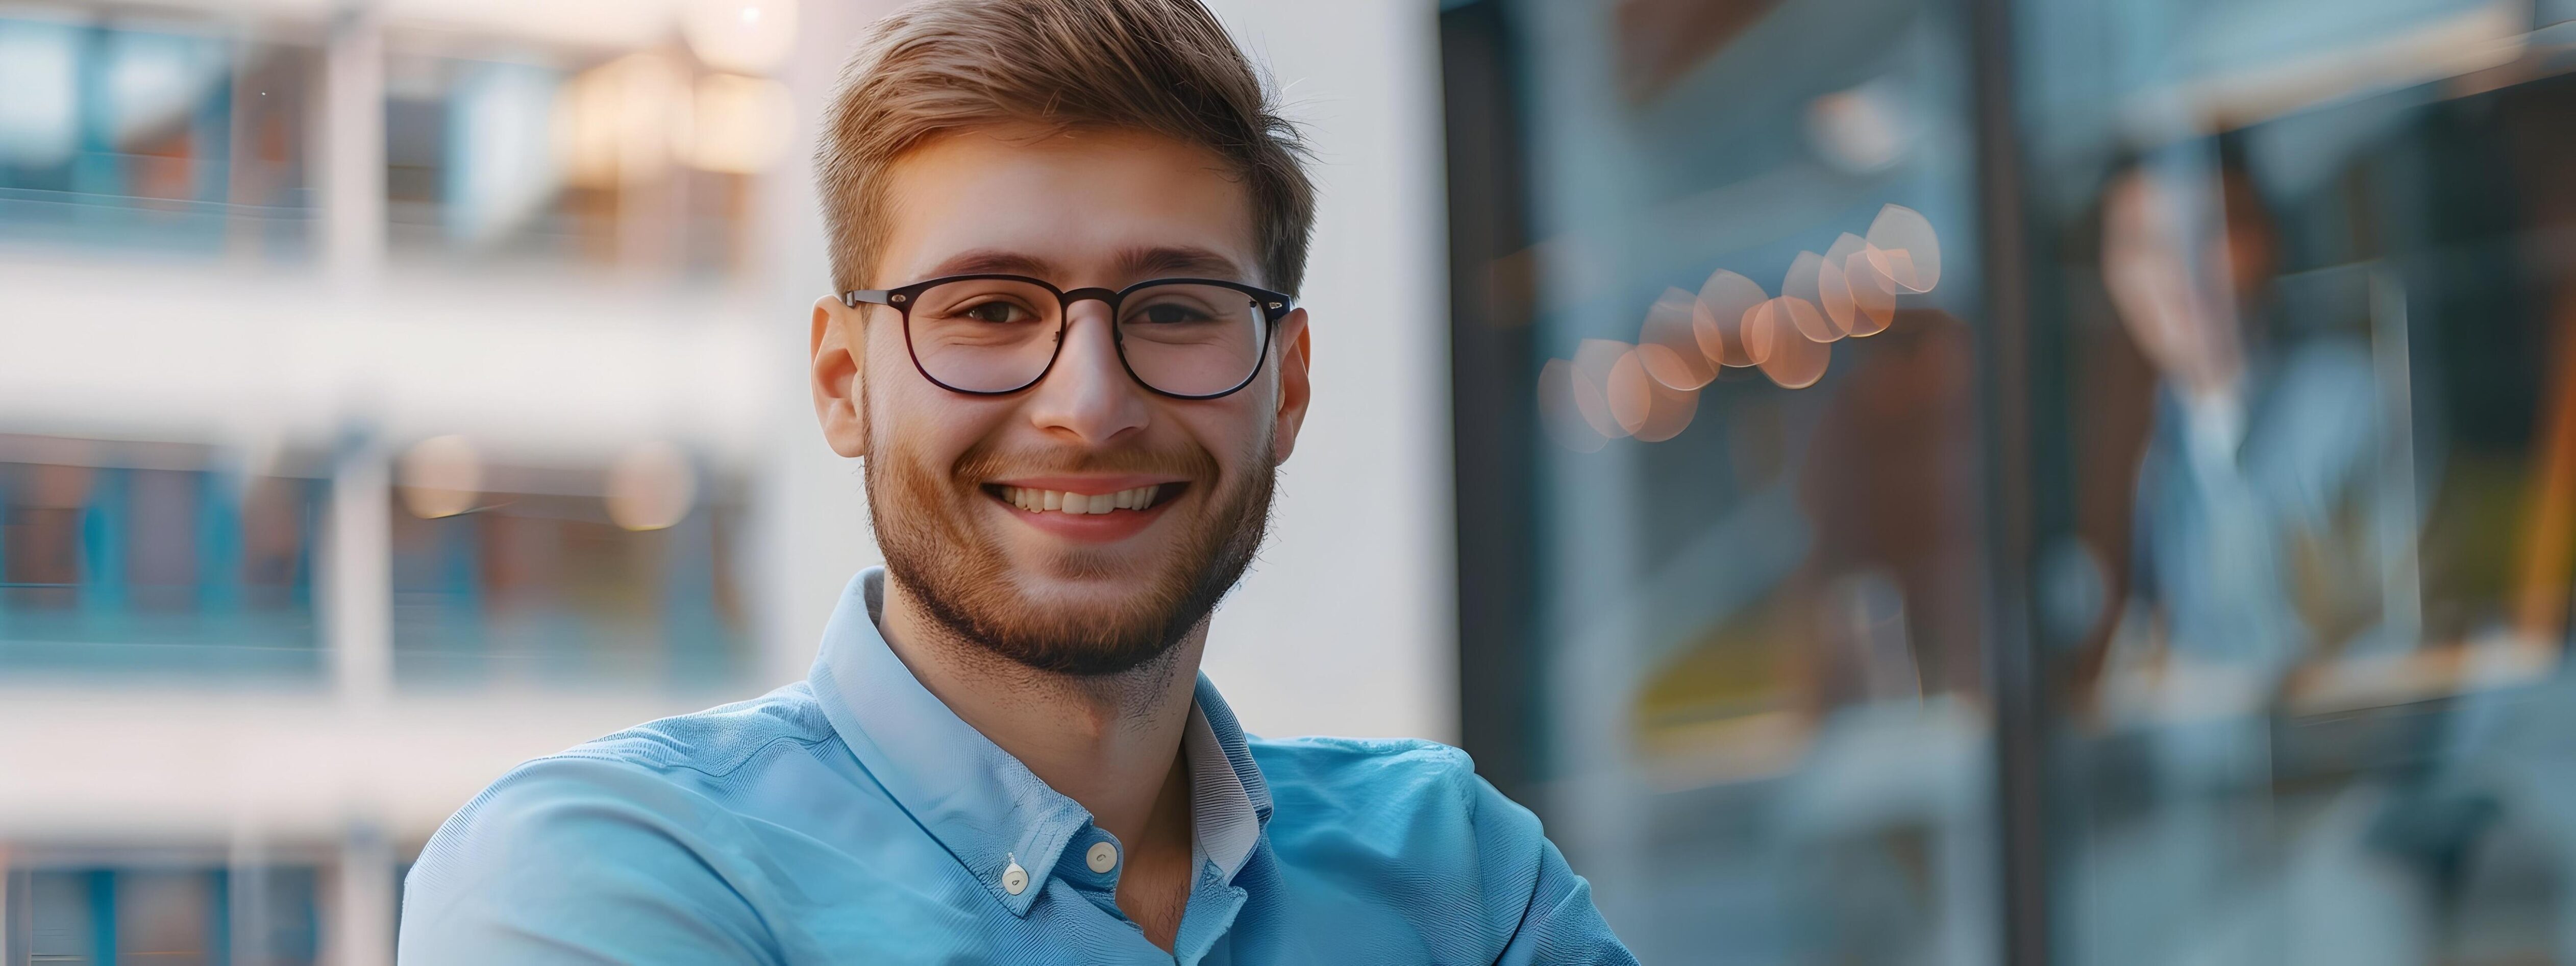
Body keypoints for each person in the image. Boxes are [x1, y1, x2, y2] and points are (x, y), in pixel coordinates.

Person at [394, 1, 1634, 962]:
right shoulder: (605, 872)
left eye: (1172, 308)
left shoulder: (1455, 864)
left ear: (1288, 381)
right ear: (843, 380)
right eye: (988, 308)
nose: (1088, 404)